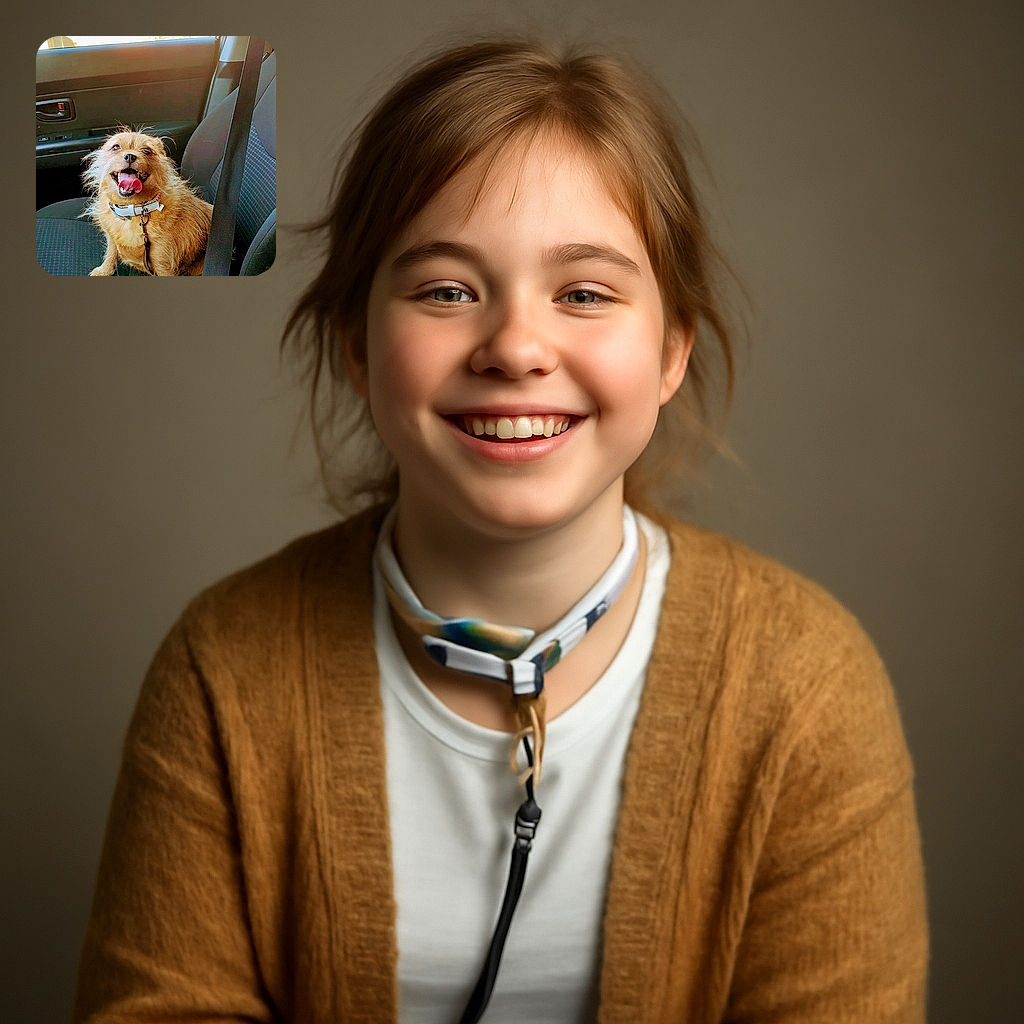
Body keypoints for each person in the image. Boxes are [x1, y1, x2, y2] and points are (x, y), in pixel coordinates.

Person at [74, 39, 928, 1023]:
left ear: (671, 350)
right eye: (446, 289)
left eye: (584, 292)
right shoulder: (221, 669)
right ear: (355, 342)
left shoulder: (807, 685)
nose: (516, 347)